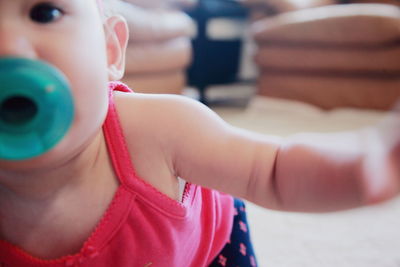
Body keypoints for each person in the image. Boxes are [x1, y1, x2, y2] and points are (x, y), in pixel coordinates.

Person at [0, 0, 399, 266]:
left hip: (207, 252)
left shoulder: (158, 129)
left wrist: (361, 168)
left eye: (45, 12)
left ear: (110, 51)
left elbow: (273, 170)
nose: (9, 48)